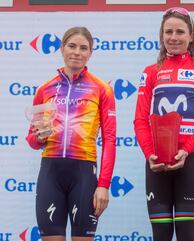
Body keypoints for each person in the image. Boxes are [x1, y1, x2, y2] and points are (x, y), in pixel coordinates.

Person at [133, 7, 194, 241]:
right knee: (160, 233)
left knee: (186, 233)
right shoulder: (150, 73)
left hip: (190, 158)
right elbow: (140, 120)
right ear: (161, 35)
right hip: (156, 161)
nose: (173, 37)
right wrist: (150, 153)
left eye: (180, 32)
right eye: (168, 31)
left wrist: (186, 149)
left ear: (191, 36)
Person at [26, 26, 116, 241]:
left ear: (90, 53)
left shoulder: (102, 89)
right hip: (50, 172)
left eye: (83, 48)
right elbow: (32, 140)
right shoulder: (44, 90)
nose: (77, 52)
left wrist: (103, 185)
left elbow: (110, 139)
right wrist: (39, 137)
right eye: (72, 46)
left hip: (83, 173)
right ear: (62, 48)